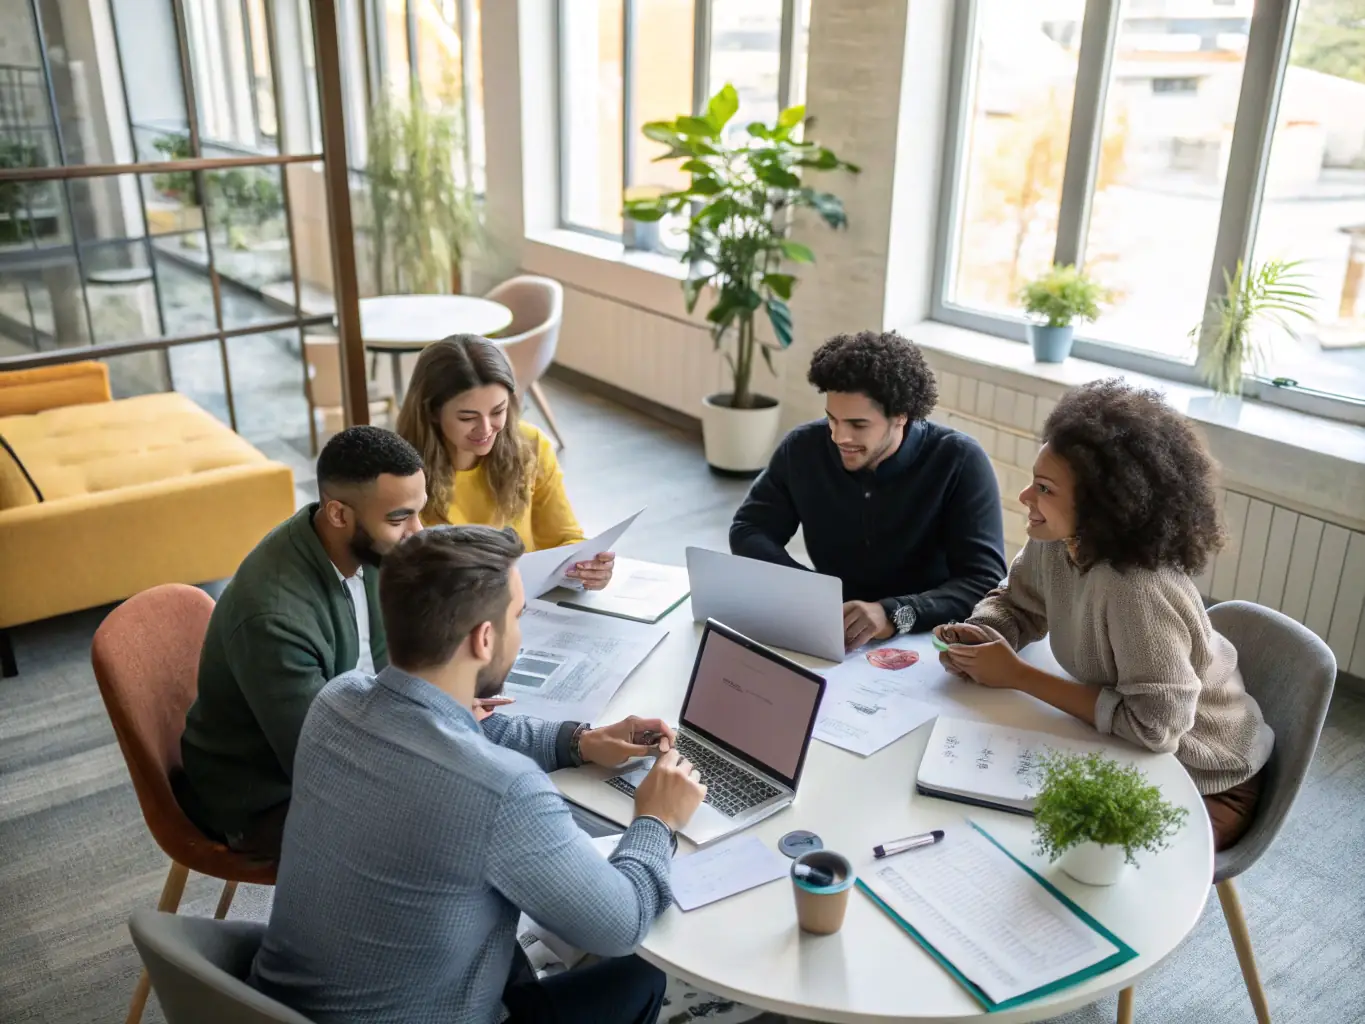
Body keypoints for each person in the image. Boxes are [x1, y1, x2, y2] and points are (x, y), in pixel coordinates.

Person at [248, 524, 706, 1024]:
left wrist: (577, 742)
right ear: (484, 638)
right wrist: (656, 819)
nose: (520, 630)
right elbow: (622, 923)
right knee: (639, 977)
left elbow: (452, 729)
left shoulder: (336, 703)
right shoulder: (504, 790)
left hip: (275, 1007)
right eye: (517, 615)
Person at [936, 380, 1274, 852]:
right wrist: (986, 632)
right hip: (1121, 745)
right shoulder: (1057, 540)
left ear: (1100, 507)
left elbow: (1157, 728)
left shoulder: (1138, 590)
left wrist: (1018, 675)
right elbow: (1016, 600)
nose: (1024, 496)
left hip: (1204, 777)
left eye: (1045, 488)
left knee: (1055, 848)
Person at [175, 426, 427, 858]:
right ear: (338, 514)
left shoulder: (366, 549)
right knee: (446, 826)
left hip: (350, 738)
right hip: (266, 797)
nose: (418, 532)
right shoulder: (273, 618)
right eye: (399, 518)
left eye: (420, 511)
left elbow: (393, 668)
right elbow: (323, 761)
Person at [730, 330, 1006, 648]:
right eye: (832, 419)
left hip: (929, 636)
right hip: (835, 630)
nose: (838, 436)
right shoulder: (803, 448)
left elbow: (983, 581)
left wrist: (892, 615)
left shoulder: (959, 461)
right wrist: (809, 590)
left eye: (858, 425)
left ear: (901, 416)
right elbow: (750, 529)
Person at [397, 334, 615, 590]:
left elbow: (563, 539)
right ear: (432, 411)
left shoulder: (531, 446)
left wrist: (588, 568)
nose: (486, 429)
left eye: (498, 411)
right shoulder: (399, 469)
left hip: (526, 606)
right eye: (468, 417)